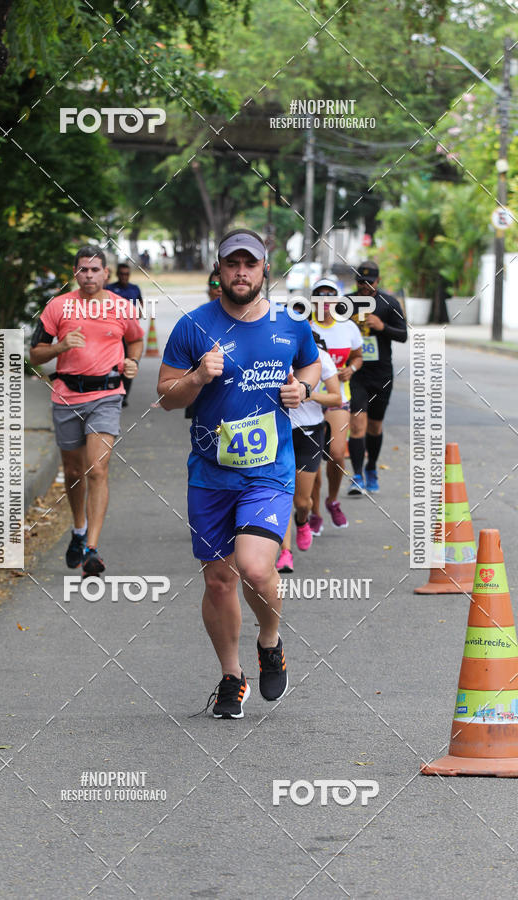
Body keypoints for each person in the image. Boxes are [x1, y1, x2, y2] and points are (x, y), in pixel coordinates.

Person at [157, 228, 321, 719]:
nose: (242, 272)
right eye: (233, 264)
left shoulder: (291, 324)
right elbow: (166, 397)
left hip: (269, 471)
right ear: (220, 269)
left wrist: (304, 392)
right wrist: (197, 377)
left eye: (251, 264)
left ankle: (269, 641)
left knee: (253, 567)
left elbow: (312, 367)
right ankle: (232, 677)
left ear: (265, 269)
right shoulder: (193, 326)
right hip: (210, 473)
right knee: (218, 581)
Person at [30, 246, 144, 575]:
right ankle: (78, 529)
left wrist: (132, 361)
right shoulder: (58, 306)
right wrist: (61, 346)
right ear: (75, 273)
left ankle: (92, 549)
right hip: (66, 396)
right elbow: (35, 354)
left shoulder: (121, 307)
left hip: (107, 396)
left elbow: (136, 339)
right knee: (72, 471)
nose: (89, 275)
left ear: (106, 274)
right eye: (83, 270)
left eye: (95, 270)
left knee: (97, 470)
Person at [276, 332, 340, 573]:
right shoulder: (275, 358)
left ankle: (302, 519)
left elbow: (336, 397)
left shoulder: (320, 358)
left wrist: (307, 393)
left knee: (302, 501)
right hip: (277, 431)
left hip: (309, 434)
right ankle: (285, 552)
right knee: (281, 493)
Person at [347, 260, 407, 494]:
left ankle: (371, 467)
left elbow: (403, 335)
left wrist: (382, 326)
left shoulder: (389, 303)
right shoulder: (347, 303)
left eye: (369, 282)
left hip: (381, 373)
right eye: (360, 282)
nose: (364, 286)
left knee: (374, 426)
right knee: (357, 423)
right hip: (356, 373)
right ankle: (357, 475)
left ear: (378, 281)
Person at [309, 277, 363, 530]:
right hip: (308, 402)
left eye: (330, 296)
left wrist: (351, 368)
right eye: (320, 296)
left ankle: (332, 500)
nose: (325, 301)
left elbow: (358, 356)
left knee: (337, 454)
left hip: (338, 398)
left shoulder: (348, 327)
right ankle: (314, 512)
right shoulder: (306, 327)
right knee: (313, 463)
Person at [184, 273, 222, 419]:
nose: (218, 289)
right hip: (201, 387)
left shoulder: (239, 316)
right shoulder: (197, 317)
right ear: (208, 289)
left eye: (221, 285)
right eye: (214, 285)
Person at [107, 263, 144, 408]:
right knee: (114, 363)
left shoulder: (134, 289)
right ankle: (112, 392)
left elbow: (140, 305)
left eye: (126, 274)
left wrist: (137, 316)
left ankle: (123, 395)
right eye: (121, 274)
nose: (124, 276)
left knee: (129, 363)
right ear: (117, 275)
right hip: (114, 333)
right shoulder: (110, 289)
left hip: (129, 333)